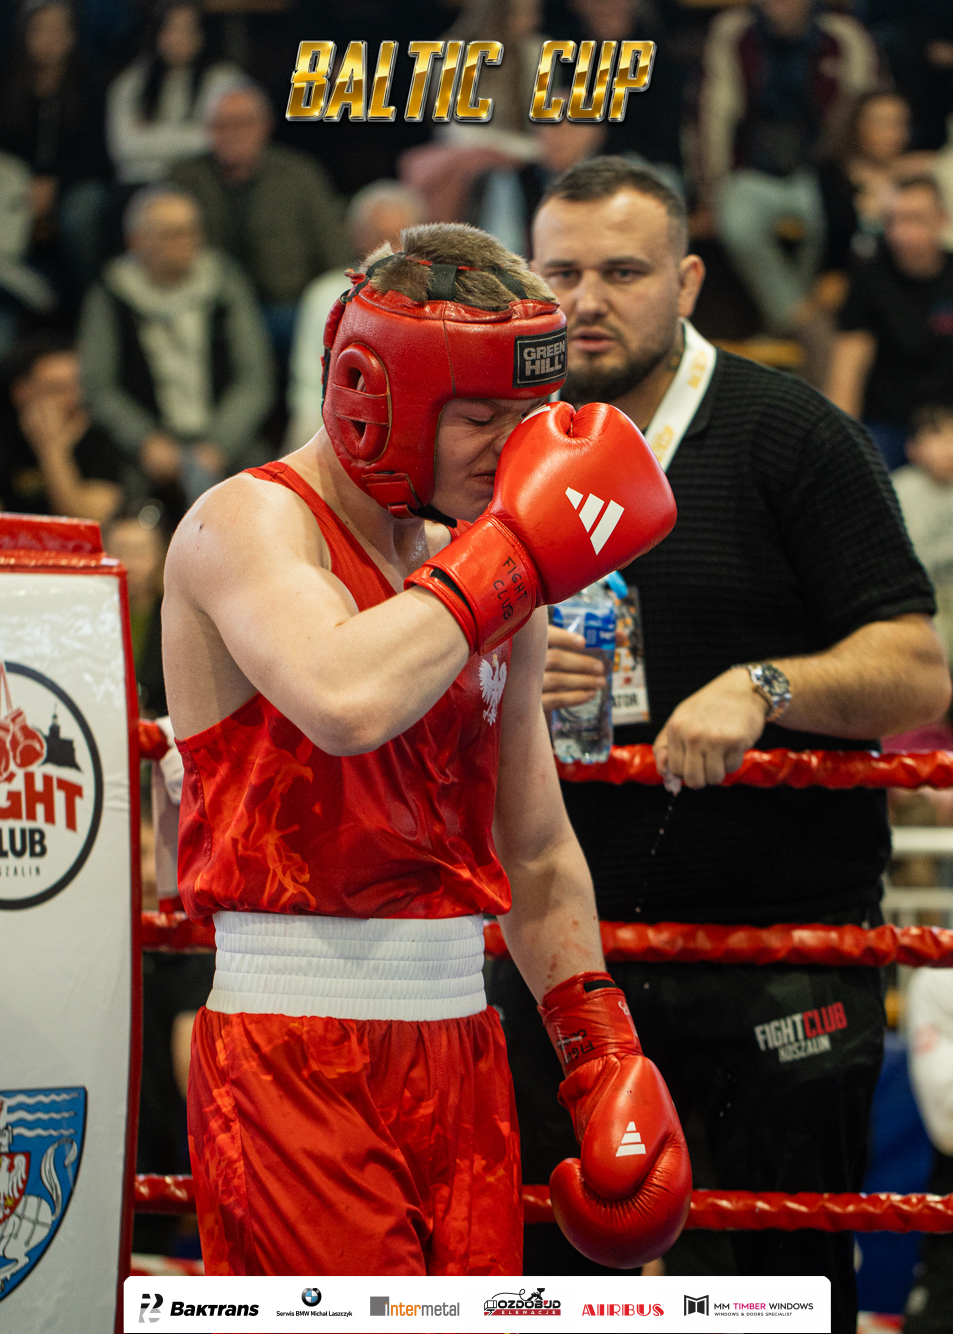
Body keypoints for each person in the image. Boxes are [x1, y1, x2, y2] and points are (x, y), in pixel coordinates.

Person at [160, 221, 692, 1276]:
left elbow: (532, 840)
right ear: (376, 397)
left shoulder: (492, 563)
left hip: (461, 1046)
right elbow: (344, 697)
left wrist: (596, 1046)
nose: (510, 449)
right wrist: (513, 551)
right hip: (291, 1050)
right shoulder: (249, 524)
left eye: (528, 418)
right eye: (481, 418)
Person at [490, 156, 949, 1332]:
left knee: (775, 1289)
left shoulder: (791, 432)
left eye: (622, 271)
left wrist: (764, 684)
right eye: (560, 273)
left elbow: (914, 665)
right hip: (560, 951)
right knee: (542, 1285)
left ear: (687, 280)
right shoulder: (495, 441)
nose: (586, 300)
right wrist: (507, 667)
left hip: (777, 947)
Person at [78, 186, 274, 518]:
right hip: (147, 442)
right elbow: (98, 384)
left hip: (222, 436)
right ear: (137, 241)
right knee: (120, 497)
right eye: (173, 233)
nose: (189, 242)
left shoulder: (225, 284)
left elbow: (254, 377)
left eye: (193, 230)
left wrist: (219, 444)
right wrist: (145, 439)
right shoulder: (111, 294)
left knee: (265, 487)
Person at [698, 0, 877, 336]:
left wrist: (857, 170)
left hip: (820, 171)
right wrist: (711, 187)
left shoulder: (843, 36)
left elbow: (862, 109)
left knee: (834, 223)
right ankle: (799, 323)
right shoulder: (734, 32)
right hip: (751, 170)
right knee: (737, 223)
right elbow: (715, 113)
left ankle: (798, 321)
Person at [167, 81, 348, 358]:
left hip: (285, 306)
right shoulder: (184, 180)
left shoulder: (299, 175)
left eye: (243, 123)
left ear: (265, 125)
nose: (233, 133)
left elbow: (332, 250)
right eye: (222, 125)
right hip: (206, 307)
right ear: (207, 129)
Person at [287, 180, 427, 450]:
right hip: (335, 429)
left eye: (402, 238)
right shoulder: (323, 295)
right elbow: (309, 393)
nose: (393, 251)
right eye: (380, 237)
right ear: (356, 237)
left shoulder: (445, 302)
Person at [827, 176, 953, 472]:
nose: (901, 233)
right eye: (892, 220)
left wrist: (943, 434)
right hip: (887, 425)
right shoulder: (869, 280)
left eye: (914, 219)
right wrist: (838, 450)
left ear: (941, 219)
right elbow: (846, 377)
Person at [0, 0, 111, 295]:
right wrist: (25, 185)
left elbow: (98, 156)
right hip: (13, 183)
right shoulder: (7, 85)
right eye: (41, 30)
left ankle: (92, 300)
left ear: (72, 34)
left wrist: (55, 185)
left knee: (83, 211)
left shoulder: (91, 85)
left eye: (58, 30)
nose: (50, 39)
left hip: (73, 184)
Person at [106, 1, 238, 190]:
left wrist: (149, 136)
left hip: (201, 185)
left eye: (187, 29)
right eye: (169, 29)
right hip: (139, 183)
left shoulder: (225, 81)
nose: (177, 38)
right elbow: (124, 147)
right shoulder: (130, 83)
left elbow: (225, 139)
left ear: (202, 34)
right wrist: (195, 135)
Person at [0, 332, 122, 522]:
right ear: (21, 392)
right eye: (56, 390)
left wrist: (53, 452)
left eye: (75, 387)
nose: (72, 400)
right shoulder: (6, 439)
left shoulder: (96, 439)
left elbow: (88, 523)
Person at [891, 406, 953, 668]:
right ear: (913, 448)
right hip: (918, 599)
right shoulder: (901, 488)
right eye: (938, 437)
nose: (949, 448)